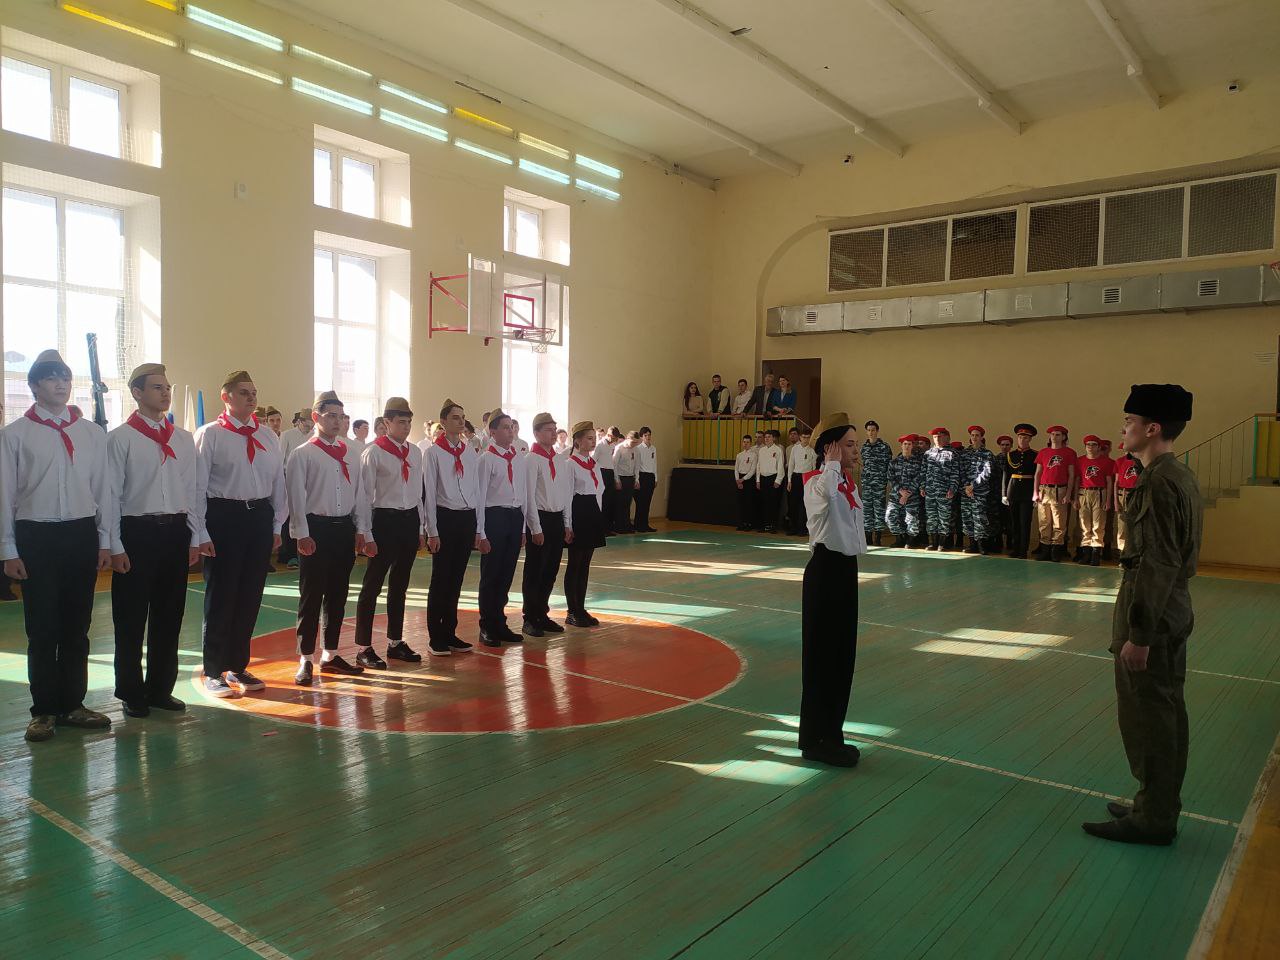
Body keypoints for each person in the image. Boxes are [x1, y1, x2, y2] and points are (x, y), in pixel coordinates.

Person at [1083, 383, 1201, 846]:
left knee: (1148, 716)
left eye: (1129, 421)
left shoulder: (1157, 481)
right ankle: (1155, 803)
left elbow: (1158, 562)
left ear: (1152, 428)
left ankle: (1154, 818)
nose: (1123, 428)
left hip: (1153, 611)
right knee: (1165, 711)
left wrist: (1140, 634)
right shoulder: (1179, 474)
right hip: (1171, 608)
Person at [2, 350, 114, 742]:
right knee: (42, 627)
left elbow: (104, 490)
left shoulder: (91, 434)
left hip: (80, 535)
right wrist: (8, 550)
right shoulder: (15, 435)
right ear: (34, 386)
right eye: (51, 378)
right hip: (37, 536)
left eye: (65, 377)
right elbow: (5, 495)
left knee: (77, 627)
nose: (61, 384)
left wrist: (105, 540)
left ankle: (73, 704)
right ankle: (44, 710)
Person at [107, 362, 203, 718]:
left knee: (169, 613)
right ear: (137, 393)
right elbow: (111, 495)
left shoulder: (182, 438)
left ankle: (161, 688)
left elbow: (192, 490)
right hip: (137, 532)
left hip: (175, 532)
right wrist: (115, 544)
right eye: (157, 387)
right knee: (131, 617)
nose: (165, 393)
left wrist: (195, 535)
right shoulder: (121, 438)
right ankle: (131, 691)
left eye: (167, 387)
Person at [192, 370, 286, 697]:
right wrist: (200, 531)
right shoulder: (210, 434)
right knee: (221, 596)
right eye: (244, 392)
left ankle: (237, 664)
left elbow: (279, 484)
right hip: (224, 517)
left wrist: (276, 525)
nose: (251, 398)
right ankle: (213, 670)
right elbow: (197, 487)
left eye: (254, 392)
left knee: (249, 595)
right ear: (226, 397)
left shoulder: (268, 436)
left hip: (258, 516)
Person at [798, 412, 865, 768]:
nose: (856, 451)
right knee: (821, 659)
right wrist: (832, 465)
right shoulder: (816, 483)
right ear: (831, 448)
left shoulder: (846, 484)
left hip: (845, 570)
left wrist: (839, 471)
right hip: (825, 572)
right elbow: (825, 498)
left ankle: (832, 734)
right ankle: (814, 739)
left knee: (842, 657)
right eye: (849, 445)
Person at [287, 391, 365, 685]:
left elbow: (359, 495)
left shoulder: (351, 453)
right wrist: (302, 534)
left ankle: (330, 655)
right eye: (331, 416)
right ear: (316, 417)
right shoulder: (303, 454)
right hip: (316, 529)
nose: (337, 421)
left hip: (343, 529)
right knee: (311, 595)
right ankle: (305, 658)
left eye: (341, 416)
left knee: (338, 594)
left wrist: (361, 530)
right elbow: (296, 497)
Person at [354, 397, 424, 668]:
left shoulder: (414, 452)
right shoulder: (374, 453)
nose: (406, 427)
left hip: (408, 520)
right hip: (384, 520)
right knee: (372, 584)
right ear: (387, 423)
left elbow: (417, 492)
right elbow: (363, 496)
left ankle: (395, 641)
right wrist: (366, 533)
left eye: (409, 422)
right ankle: (364, 647)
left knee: (400, 584)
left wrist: (420, 527)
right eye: (401, 422)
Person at [422, 398, 480, 656]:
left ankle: (450, 631)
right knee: (441, 578)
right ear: (443, 422)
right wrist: (432, 530)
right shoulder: (433, 453)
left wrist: (477, 526)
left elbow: (475, 487)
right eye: (455, 417)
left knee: (457, 578)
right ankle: (436, 636)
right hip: (445, 517)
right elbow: (430, 494)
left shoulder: (469, 451)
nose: (461, 421)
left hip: (466, 518)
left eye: (463, 417)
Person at [473, 409, 528, 647]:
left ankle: (500, 623)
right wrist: (481, 532)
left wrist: (523, 528)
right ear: (492, 432)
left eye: (511, 427)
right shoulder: (486, 459)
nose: (510, 431)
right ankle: (487, 625)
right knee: (491, 574)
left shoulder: (518, 458)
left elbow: (523, 494)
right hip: (494, 516)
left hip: (514, 517)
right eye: (505, 427)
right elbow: (480, 497)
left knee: (506, 573)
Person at [522, 412, 573, 637]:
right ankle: (530, 617)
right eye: (548, 430)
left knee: (551, 569)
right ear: (536, 433)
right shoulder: (531, 459)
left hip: (556, 518)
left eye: (555, 429)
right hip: (540, 518)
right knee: (535, 569)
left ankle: (542, 613)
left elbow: (565, 492)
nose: (553, 433)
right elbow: (529, 496)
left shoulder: (560, 460)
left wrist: (566, 523)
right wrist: (535, 528)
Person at [564, 421, 606, 627]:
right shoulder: (570, 464)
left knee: (585, 565)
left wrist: (598, 517)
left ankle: (581, 608)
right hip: (578, 514)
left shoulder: (594, 464)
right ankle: (572, 611)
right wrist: (568, 524)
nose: (593, 442)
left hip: (592, 514)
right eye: (589, 438)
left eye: (594, 438)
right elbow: (567, 496)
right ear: (577, 441)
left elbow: (599, 491)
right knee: (575, 564)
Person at [1033, 425, 1077, 561]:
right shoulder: (1043, 452)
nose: (1054, 437)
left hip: (1060, 489)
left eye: (1057, 434)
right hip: (1044, 489)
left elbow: (1071, 475)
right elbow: (1038, 473)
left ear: (1063, 437)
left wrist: (1068, 494)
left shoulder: (1069, 453)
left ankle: (1056, 551)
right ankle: (1045, 549)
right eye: (1052, 434)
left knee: (1059, 522)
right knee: (1044, 521)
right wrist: (1035, 492)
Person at [277, 409, 313, 569]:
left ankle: (305, 552)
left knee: (306, 515)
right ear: (300, 421)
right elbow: (279, 459)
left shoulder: (314, 436)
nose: (309, 427)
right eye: (307, 424)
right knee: (289, 516)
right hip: (289, 478)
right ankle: (289, 554)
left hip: (309, 481)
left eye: (312, 424)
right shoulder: (287, 435)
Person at [1075, 435, 1114, 566]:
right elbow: (1077, 480)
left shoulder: (1106, 462)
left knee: (1098, 525)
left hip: (1099, 492)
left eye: (1094, 445)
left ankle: (1096, 554)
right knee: (1085, 525)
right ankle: (1086, 554)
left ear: (1098, 447)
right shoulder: (1080, 460)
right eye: (1088, 445)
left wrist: (1108, 500)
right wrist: (1075, 497)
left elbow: (1109, 482)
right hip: (1084, 493)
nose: (1091, 447)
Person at [1002, 424, 1039, 559]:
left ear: (1030, 439)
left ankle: (1023, 550)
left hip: (1027, 492)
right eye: (1020, 437)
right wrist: (1004, 494)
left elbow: (1037, 475)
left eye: (1025, 438)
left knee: (1025, 522)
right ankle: (1015, 548)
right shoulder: (1010, 455)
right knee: (1014, 522)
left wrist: (1036, 494)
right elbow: (1006, 475)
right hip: (1013, 491)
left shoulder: (1035, 455)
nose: (1022, 440)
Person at [922, 428, 959, 551]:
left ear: (945, 438)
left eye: (939, 436)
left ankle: (942, 543)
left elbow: (955, 474)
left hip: (944, 491)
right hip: (930, 491)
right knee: (931, 517)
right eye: (935, 437)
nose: (937, 439)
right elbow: (923, 471)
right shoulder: (928, 453)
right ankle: (933, 542)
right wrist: (922, 486)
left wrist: (952, 488)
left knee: (944, 518)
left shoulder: (952, 453)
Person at [960, 426, 994, 554]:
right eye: (972, 435)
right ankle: (972, 545)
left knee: (980, 519)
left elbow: (986, 472)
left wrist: (973, 486)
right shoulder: (964, 453)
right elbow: (961, 471)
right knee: (967, 518)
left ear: (981, 437)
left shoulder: (987, 454)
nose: (974, 437)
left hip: (980, 492)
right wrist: (966, 487)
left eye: (977, 435)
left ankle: (981, 546)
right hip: (966, 492)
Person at [886, 434, 923, 548]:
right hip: (896, 496)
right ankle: (899, 539)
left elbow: (918, 478)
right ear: (901, 446)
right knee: (890, 516)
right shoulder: (894, 462)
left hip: (912, 497)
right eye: (905, 444)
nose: (907, 446)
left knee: (912, 520)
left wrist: (907, 494)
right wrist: (901, 492)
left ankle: (910, 540)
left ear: (912, 446)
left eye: (909, 444)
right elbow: (891, 478)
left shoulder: (918, 463)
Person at [860, 421, 892, 546]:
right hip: (867, 484)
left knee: (879, 510)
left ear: (877, 431)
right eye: (868, 430)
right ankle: (868, 537)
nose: (871, 432)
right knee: (867, 510)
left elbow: (889, 466)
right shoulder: (864, 447)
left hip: (879, 484)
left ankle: (878, 538)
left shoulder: (884, 447)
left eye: (873, 430)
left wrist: (885, 481)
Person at [786, 428, 816, 536]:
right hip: (796, 477)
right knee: (793, 504)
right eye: (804, 437)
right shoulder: (795, 448)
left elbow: (813, 468)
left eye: (808, 437)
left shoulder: (812, 451)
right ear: (800, 437)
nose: (806, 439)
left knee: (804, 504)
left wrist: (812, 482)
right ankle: (793, 527)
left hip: (807, 478)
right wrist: (789, 480)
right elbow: (791, 464)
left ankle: (802, 529)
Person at [755, 429, 785, 534]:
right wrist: (758, 480)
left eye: (769, 437)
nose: (767, 439)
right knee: (764, 503)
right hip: (763, 478)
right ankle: (765, 525)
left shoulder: (778, 450)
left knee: (773, 503)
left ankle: (773, 525)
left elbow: (780, 465)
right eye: (766, 437)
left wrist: (778, 480)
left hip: (773, 478)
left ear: (773, 438)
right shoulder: (761, 450)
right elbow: (758, 465)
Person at [1114, 445, 1141, 554]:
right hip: (1122, 493)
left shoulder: (1140, 461)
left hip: (1136, 493)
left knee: (1135, 522)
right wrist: (1116, 501)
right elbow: (1116, 482)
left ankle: (1134, 551)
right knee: (1122, 524)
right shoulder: (1120, 461)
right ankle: (1122, 551)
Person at [594, 427, 620, 535]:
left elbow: (612, 462)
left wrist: (616, 478)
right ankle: (601, 529)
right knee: (603, 502)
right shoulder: (600, 445)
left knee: (609, 501)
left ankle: (608, 528)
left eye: (616, 439)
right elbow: (593, 461)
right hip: (601, 472)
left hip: (610, 473)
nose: (614, 441)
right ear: (609, 435)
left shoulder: (613, 446)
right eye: (613, 438)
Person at [989, 434, 1013, 552]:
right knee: (997, 519)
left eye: (1007, 445)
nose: (1005, 447)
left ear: (1011, 446)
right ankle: (998, 543)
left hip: (1011, 493)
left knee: (1010, 520)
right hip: (996, 493)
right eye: (1002, 445)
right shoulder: (995, 459)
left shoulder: (1014, 458)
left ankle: (1010, 542)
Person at [612, 430, 639, 533]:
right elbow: (614, 465)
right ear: (628, 439)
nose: (634, 444)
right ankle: (619, 527)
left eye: (636, 442)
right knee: (620, 503)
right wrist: (617, 480)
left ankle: (627, 526)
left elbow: (637, 465)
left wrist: (637, 479)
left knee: (628, 503)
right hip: (621, 478)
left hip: (630, 478)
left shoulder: (636, 450)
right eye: (633, 442)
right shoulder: (619, 448)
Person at [633, 427, 658, 533]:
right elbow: (637, 465)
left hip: (650, 476)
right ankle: (638, 525)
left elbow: (654, 463)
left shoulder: (653, 448)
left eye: (649, 435)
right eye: (645, 435)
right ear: (641, 437)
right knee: (641, 502)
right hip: (641, 476)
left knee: (647, 502)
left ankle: (645, 524)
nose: (648, 437)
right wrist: (637, 479)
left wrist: (655, 477)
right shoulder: (638, 448)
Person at [733, 435, 757, 532]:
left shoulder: (754, 455)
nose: (745, 444)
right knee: (741, 502)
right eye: (744, 442)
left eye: (747, 442)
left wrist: (743, 479)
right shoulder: (739, 455)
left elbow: (752, 470)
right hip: (739, 480)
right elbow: (736, 469)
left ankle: (748, 523)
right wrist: (737, 480)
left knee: (748, 502)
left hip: (748, 480)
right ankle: (741, 523)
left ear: (750, 443)